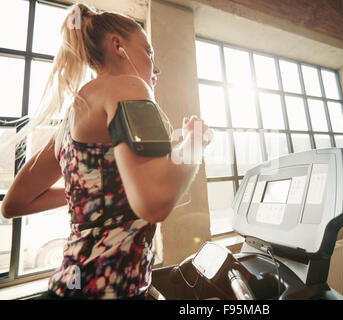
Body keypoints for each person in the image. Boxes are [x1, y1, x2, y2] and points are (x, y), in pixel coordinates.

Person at [1, 3, 210, 300]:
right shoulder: (128, 86)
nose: (156, 67)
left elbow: (13, 204)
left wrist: (97, 194)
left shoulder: (70, 118)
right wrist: (194, 144)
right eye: (149, 52)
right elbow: (155, 202)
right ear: (118, 46)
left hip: (69, 287)